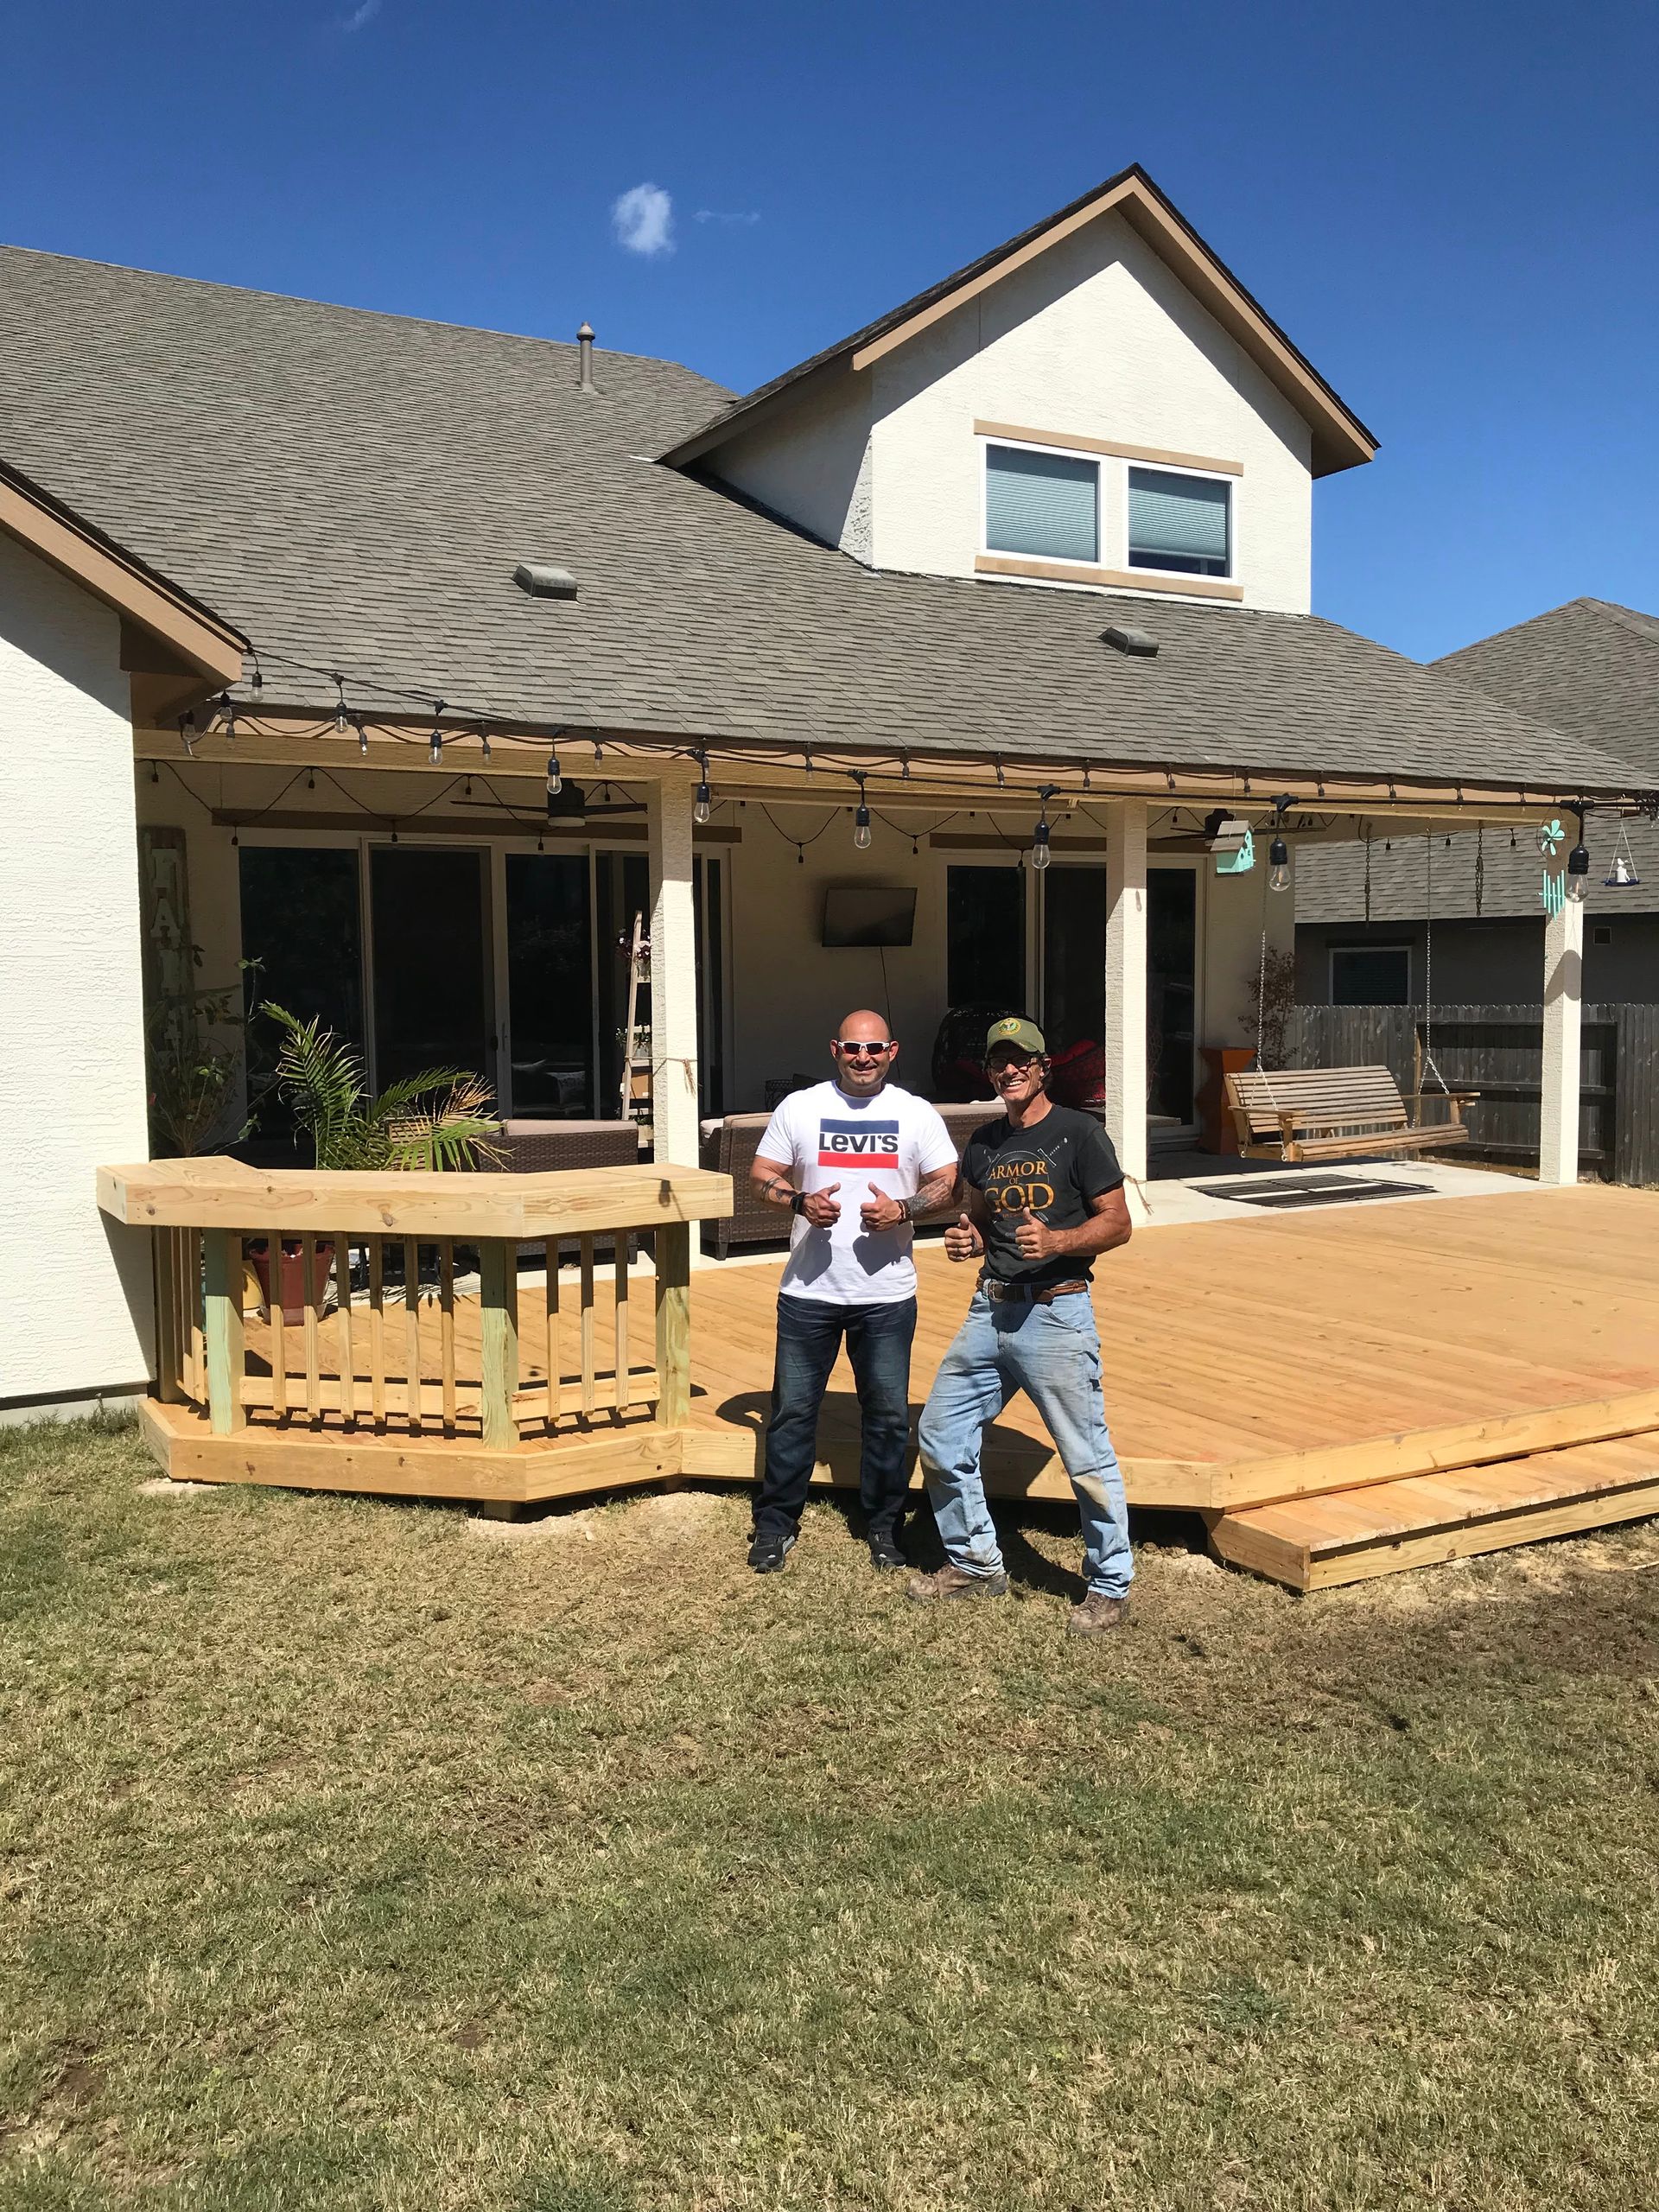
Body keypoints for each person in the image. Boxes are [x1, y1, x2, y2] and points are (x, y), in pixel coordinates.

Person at [908, 1015, 1135, 1634]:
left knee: (1084, 1453)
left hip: (1056, 1312)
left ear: (1042, 1069)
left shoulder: (1080, 1135)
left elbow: (1117, 1222)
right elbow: (979, 1218)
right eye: (998, 1062)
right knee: (941, 1432)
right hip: (991, 1310)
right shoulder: (984, 1142)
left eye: (1020, 1061)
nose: (1008, 1070)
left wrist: (1060, 1238)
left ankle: (1111, 1584)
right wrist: (966, 1238)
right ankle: (976, 1562)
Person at [747, 1010, 960, 1574]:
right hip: (808, 1291)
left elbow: (949, 1182)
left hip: (886, 1295)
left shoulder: (915, 1114)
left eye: (874, 1049)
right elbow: (761, 1172)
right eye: (851, 1048)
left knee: (888, 1416)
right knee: (792, 1413)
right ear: (834, 1049)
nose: (862, 1058)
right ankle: (775, 1525)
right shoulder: (802, 1107)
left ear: (893, 1051)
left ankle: (885, 1527)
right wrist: (797, 1201)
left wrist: (904, 1209)